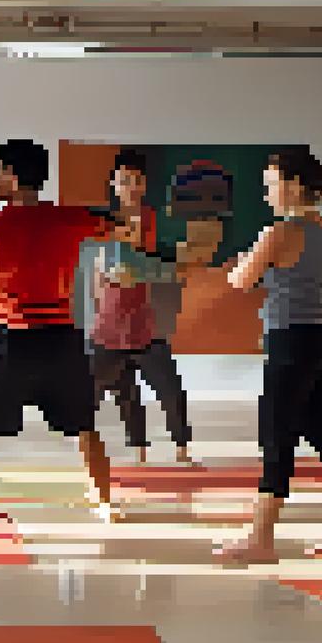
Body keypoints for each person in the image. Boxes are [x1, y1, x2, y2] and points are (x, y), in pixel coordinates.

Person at [0, 140, 116, 523]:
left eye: (0, 172)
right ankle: (105, 503)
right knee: (84, 425)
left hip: (8, 337)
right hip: (60, 337)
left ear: (12, 175)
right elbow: (115, 226)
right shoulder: (69, 218)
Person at [215, 147, 322, 564]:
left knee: (277, 435)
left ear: (296, 186)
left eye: (271, 184)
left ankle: (261, 540)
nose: (267, 193)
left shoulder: (279, 232)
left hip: (290, 342)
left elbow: (240, 281)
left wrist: (245, 262)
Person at [82, 151, 194, 464]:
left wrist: (143, 269)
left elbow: (174, 266)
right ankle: (137, 452)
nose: (129, 186)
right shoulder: (102, 223)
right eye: (123, 180)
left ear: (143, 185)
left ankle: (182, 451)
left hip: (146, 324)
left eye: (135, 180)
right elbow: (96, 272)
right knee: (118, 393)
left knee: (170, 389)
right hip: (107, 326)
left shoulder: (156, 222)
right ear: (114, 185)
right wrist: (101, 301)